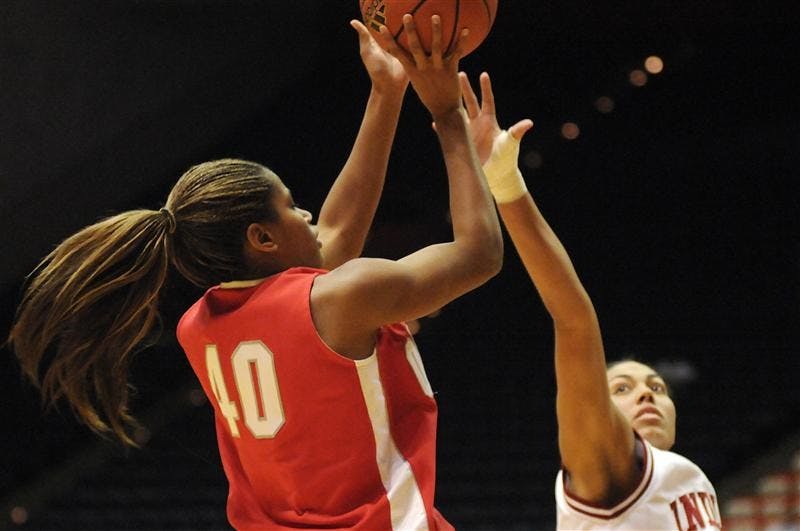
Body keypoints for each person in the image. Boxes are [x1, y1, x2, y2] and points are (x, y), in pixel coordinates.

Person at [8, 15, 503, 531]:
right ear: (261, 239)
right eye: (291, 207)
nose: (308, 214)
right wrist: (447, 115)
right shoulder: (341, 297)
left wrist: (387, 91)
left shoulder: (198, 328)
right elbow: (478, 254)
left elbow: (331, 239)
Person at [459, 72, 722, 529]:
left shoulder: (690, 480)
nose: (646, 392)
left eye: (657, 388)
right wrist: (506, 185)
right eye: (622, 388)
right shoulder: (607, 462)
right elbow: (574, 318)